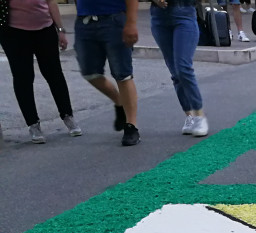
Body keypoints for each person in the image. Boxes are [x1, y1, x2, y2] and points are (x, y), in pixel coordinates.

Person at [0, 0, 81, 142]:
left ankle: (67, 115)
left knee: (54, 74)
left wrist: (60, 30)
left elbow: (51, 2)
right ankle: (33, 124)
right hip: (14, 33)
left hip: (45, 30)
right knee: (22, 77)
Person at [73, 0, 140, 145]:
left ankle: (131, 126)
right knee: (89, 72)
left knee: (122, 74)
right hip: (84, 21)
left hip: (114, 18)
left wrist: (131, 23)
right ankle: (119, 101)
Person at [148, 0, 207, 136]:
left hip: (184, 14)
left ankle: (199, 115)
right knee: (175, 71)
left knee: (183, 67)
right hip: (158, 17)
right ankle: (189, 116)